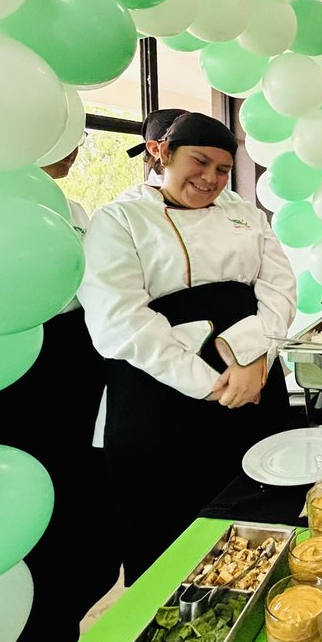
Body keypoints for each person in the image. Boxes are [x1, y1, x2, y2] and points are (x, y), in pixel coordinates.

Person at [80, 112, 295, 582]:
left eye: (222, 169)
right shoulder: (119, 219)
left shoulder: (245, 214)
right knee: (170, 527)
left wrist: (251, 358)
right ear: (163, 154)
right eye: (200, 162)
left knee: (261, 506)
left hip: (255, 378)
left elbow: (278, 288)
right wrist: (212, 384)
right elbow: (119, 319)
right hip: (161, 392)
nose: (211, 179)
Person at [0, 138, 118, 642]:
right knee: (28, 503)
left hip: (80, 364)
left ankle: (80, 624)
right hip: (15, 372)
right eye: (64, 141)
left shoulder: (78, 213)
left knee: (85, 495)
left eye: (80, 141)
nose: (76, 152)